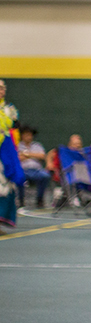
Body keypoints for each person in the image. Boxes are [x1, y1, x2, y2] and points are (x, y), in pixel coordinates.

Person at [0, 90, 24, 232]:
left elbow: (15, 127)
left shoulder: (9, 109)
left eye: (2, 87)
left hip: (5, 152)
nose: (0, 90)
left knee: (6, 188)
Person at [16, 126, 49, 208]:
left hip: (36, 170)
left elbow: (42, 156)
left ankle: (39, 199)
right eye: (27, 135)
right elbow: (18, 158)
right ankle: (21, 200)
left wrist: (26, 154)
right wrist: (34, 155)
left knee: (45, 176)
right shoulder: (17, 145)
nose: (29, 137)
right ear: (22, 136)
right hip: (24, 170)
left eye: (30, 135)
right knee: (19, 177)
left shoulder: (37, 145)